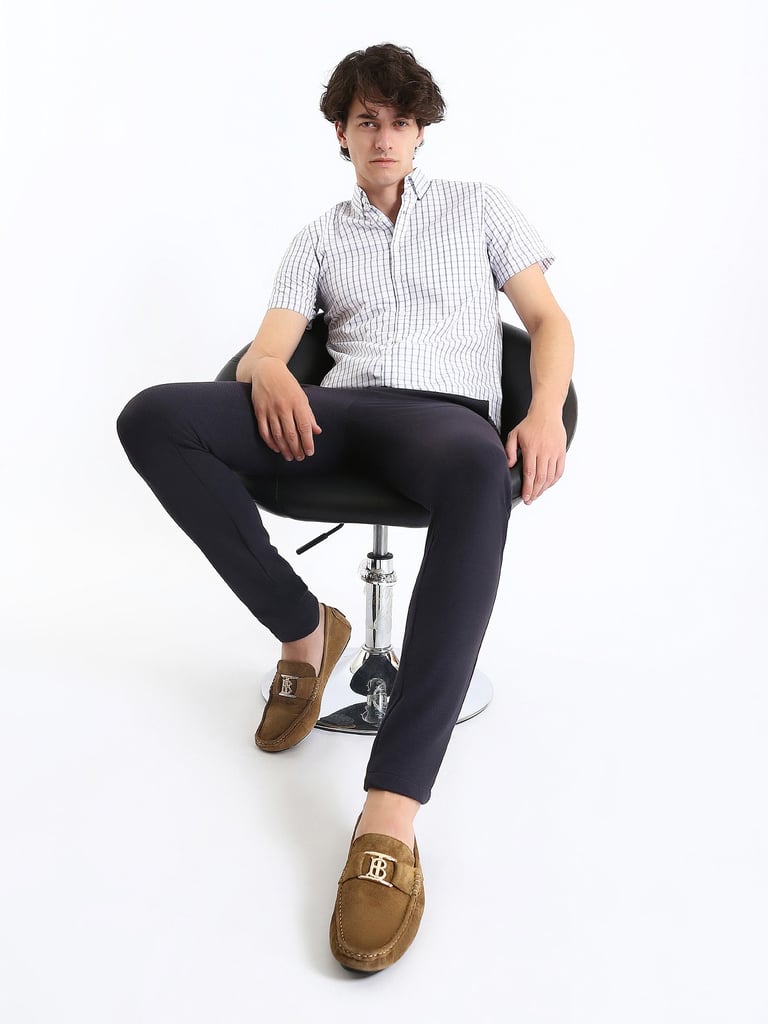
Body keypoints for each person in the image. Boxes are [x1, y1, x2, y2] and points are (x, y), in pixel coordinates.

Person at [116, 42, 575, 973]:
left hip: (441, 421)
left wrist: (540, 410)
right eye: (367, 121)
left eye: (401, 121)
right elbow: (270, 346)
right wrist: (269, 370)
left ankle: (391, 811)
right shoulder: (318, 237)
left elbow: (548, 322)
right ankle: (304, 630)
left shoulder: (480, 208)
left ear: (421, 131)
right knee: (153, 418)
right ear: (341, 132)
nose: (385, 137)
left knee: (476, 469)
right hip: (335, 412)